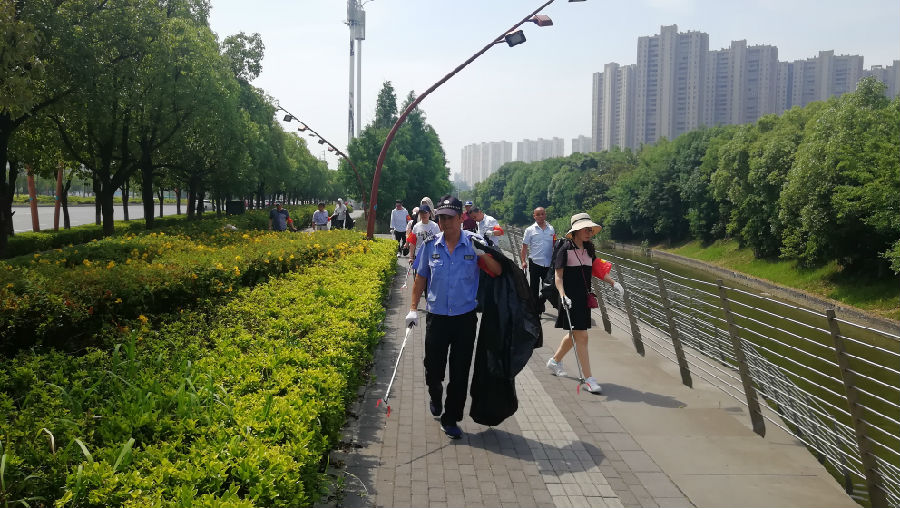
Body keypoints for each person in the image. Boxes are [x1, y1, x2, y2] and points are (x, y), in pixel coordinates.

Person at [405, 195, 502, 439]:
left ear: (460, 218)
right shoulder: (430, 246)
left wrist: (482, 254)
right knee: (433, 369)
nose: (445, 222)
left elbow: (498, 270)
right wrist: (413, 308)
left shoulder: (474, 243)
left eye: (450, 217)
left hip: (464, 319)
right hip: (437, 318)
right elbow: (421, 278)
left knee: (460, 373)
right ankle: (435, 394)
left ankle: (451, 418)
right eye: (441, 218)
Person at [546, 213, 624, 394]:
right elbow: (558, 277)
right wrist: (563, 295)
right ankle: (589, 379)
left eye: (590, 230)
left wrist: (614, 283)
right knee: (582, 336)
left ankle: (555, 361)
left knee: (575, 334)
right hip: (569, 299)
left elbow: (597, 269)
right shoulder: (565, 249)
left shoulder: (589, 249)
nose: (589, 232)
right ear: (576, 231)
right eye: (585, 229)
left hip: (583, 298)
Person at [520, 207, 555, 313]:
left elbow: (554, 245)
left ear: (545, 215)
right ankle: (535, 310)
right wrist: (523, 261)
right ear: (534, 216)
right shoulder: (529, 230)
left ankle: (540, 302)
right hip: (535, 262)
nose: (540, 216)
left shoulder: (551, 229)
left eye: (542, 214)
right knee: (534, 288)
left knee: (549, 288)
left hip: (548, 263)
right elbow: (524, 246)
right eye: (538, 214)